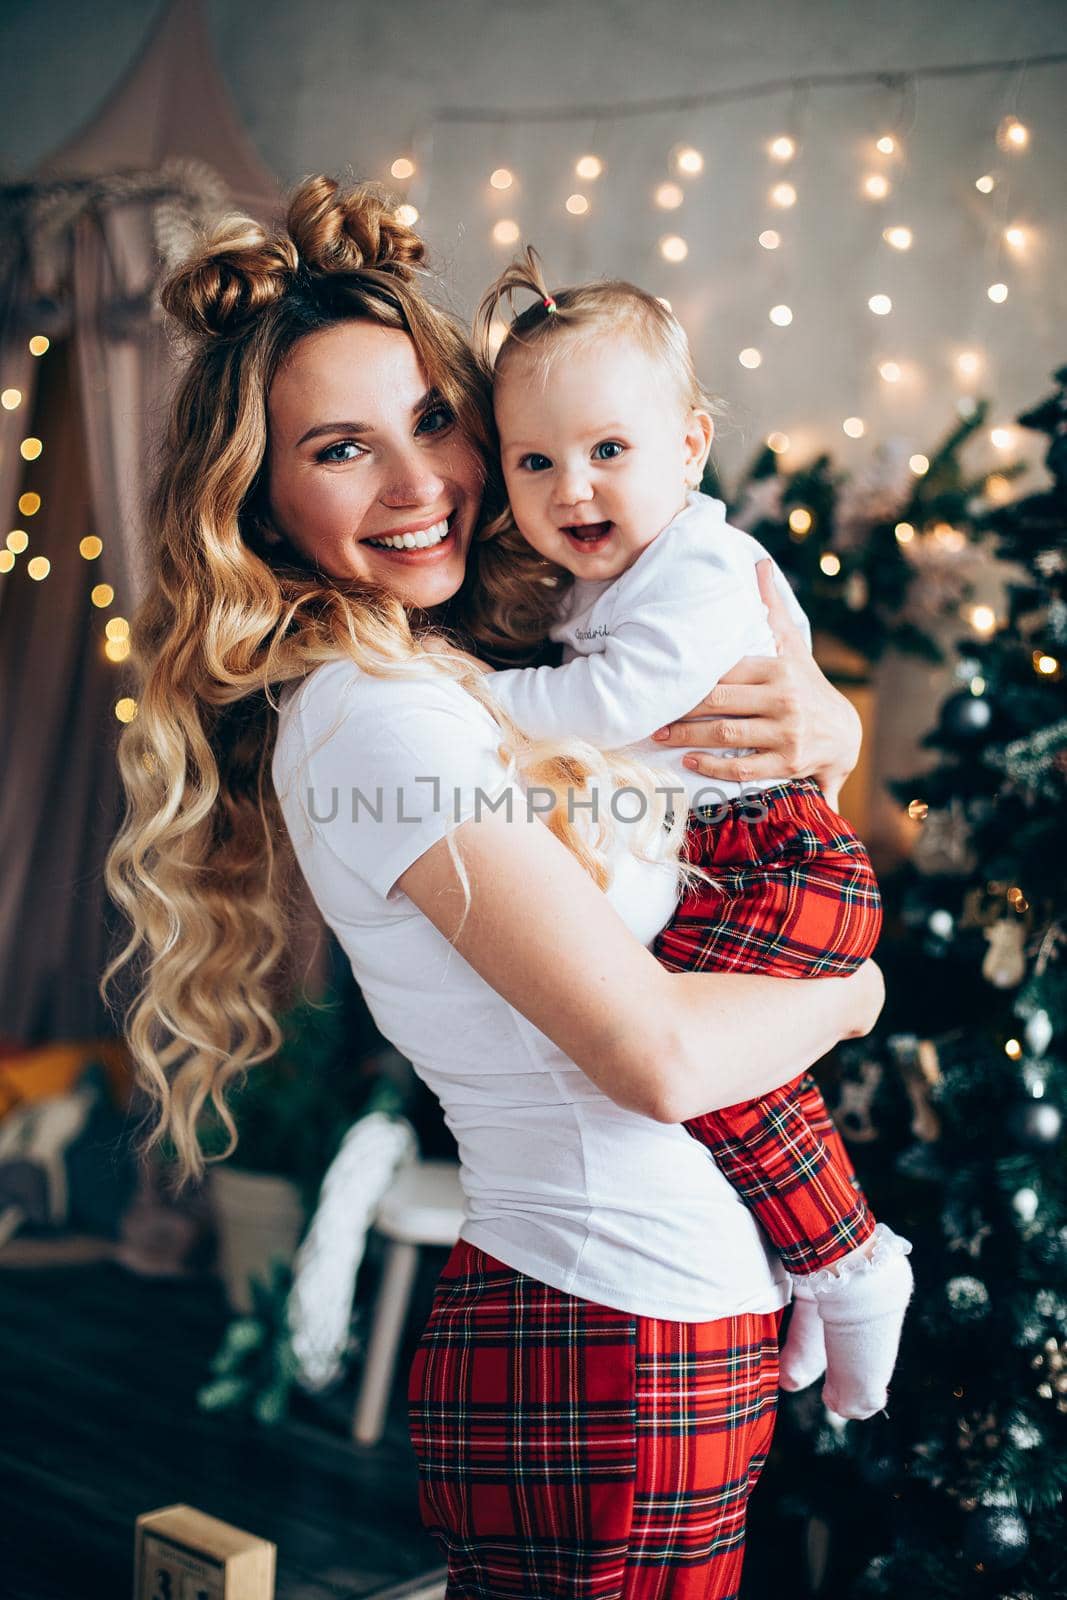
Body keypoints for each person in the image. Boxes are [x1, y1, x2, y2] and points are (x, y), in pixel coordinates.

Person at [101, 175, 885, 1600]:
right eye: (341, 448)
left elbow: (724, 780)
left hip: (646, 1316)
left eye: (434, 422)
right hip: (610, 1319)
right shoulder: (378, 714)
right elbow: (650, 1055)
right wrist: (852, 992)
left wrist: (818, 727)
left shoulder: (487, 671)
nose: (417, 485)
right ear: (258, 502)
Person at [470, 250, 914, 1422]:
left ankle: (857, 1266)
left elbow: (612, 709)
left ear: (689, 445)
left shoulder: (699, 568)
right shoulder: (592, 584)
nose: (573, 486)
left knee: (702, 1069)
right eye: (535, 461)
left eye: (608, 448)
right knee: (740, 1080)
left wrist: (475, 696)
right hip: (730, 855)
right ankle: (828, 1262)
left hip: (778, 855)